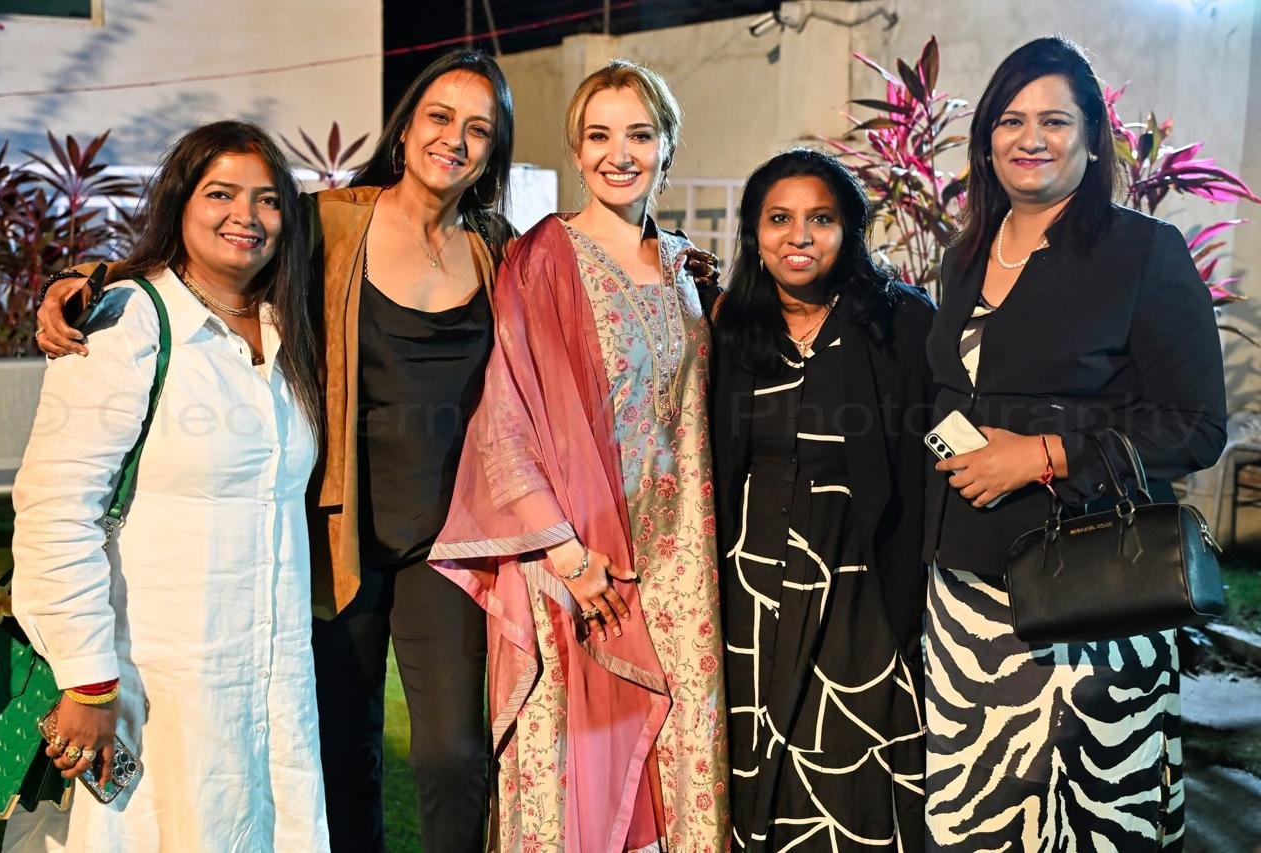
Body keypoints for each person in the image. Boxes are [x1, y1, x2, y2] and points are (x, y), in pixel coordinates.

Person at [33, 50, 514, 853]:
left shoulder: (497, 249)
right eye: (439, 116)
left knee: (454, 754)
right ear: (404, 129)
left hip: (447, 538)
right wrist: (86, 276)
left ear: (494, 151)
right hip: (334, 531)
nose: (454, 139)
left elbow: (577, 281)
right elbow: (218, 243)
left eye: (478, 128)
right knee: (340, 750)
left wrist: (671, 251)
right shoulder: (332, 221)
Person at [922, 36, 1227, 850]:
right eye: (1011, 120)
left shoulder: (1140, 253)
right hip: (967, 600)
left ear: (1092, 139)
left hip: (1091, 591)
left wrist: (1044, 453)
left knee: (1090, 821)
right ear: (987, 139)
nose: (1031, 138)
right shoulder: (966, 255)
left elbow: (1196, 424)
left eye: (1054, 121)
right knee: (976, 817)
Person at [429, 60, 730, 851]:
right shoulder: (543, 258)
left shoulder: (686, 267)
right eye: (599, 136)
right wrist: (566, 555)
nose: (618, 154)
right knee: (581, 771)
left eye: (639, 135)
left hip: (680, 561)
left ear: (668, 147)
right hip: (580, 558)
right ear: (575, 150)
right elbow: (506, 418)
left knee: (674, 764)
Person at [11, 120, 327, 849]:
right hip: (152, 674)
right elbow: (56, 509)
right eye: (220, 194)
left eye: (268, 199)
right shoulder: (128, 323)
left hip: (271, 677)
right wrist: (88, 678)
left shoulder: (288, 330)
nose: (246, 215)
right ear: (180, 202)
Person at [711, 148, 932, 851]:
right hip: (751, 585)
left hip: (861, 579)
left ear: (850, 230)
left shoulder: (903, 324)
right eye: (779, 219)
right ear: (754, 232)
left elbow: (937, 443)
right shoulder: (731, 327)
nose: (799, 236)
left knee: (849, 763)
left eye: (821, 219)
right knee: (754, 762)